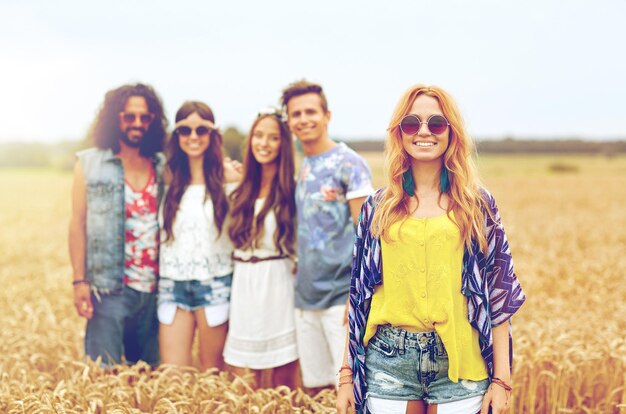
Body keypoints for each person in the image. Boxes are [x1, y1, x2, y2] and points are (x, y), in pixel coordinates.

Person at [336, 85, 527, 414]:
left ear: (451, 132)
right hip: (389, 360)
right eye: (412, 123)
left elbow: (500, 293)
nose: (423, 131)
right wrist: (345, 374)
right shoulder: (377, 207)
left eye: (436, 123)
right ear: (400, 133)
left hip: (462, 362)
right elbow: (359, 296)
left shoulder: (477, 205)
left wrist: (502, 380)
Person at [280, 80, 374, 391]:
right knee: (316, 389)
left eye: (310, 111)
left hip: (339, 297)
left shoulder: (350, 163)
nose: (304, 119)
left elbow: (368, 236)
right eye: (296, 114)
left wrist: (356, 295)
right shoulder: (302, 165)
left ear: (327, 115)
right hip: (305, 297)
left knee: (346, 389)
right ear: (289, 120)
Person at [69, 83, 168, 367]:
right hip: (108, 290)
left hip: (156, 291)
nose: (137, 123)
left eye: (144, 117)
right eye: (129, 116)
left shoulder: (162, 164)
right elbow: (78, 223)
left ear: (153, 121)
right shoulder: (89, 163)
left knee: (152, 380)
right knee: (105, 380)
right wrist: (79, 281)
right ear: (115, 118)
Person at [223, 108, 299, 388]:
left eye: (273, 138)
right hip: (244, 285)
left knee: (282, 382)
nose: (264, 143)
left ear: (283, 145)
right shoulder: (237, 189)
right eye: (258, 135)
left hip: (278, 284)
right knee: (242, 382)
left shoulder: (292, 190)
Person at [158, 101, 233, 371]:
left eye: (201, 130)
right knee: (172, 378)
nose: (193, 137)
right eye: (184, 130)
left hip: (215, 285)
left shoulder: (230, 178)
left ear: (213, 134)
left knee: (212, 376)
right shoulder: (165, 178)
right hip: (171, 285)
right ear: (176, 135)